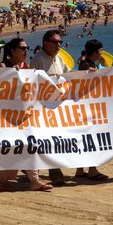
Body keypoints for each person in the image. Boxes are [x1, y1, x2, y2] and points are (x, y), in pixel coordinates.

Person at [0, 38, 53, 191]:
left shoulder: (27, 67)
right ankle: (6, 179)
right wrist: (10, 73)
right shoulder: (3, 66)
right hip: (9, 116)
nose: (26, 50)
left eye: (27, 48)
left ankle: (34, 178)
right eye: (22, 48)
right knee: (12, 147)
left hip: (27, 114)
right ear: (12, 51)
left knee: (31, 143)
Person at [30, 30, 70, 186]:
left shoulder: (59, 58)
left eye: (59, 42)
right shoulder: (37, 59)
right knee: (48, 138)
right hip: (43, 106)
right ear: (45, 42)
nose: (58, 45)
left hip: (58, 106)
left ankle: (52, 169)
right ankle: (54, 171)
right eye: (55, 42)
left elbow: (70, 76)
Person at [76, 39, 108, 180]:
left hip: (85, 107)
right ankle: (92, 170)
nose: (102, 53)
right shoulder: (85, 65)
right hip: (86, 108)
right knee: (89, 138)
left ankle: (80, 170)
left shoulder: (90, 64)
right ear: (95, 52)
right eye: (100, 50)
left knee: (85, 138)